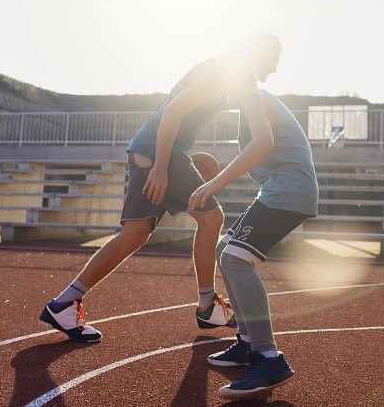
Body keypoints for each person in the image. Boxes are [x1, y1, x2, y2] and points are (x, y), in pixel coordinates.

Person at [39, 32, 282, 342]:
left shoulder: (226, 72)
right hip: (159, 152)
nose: (273, 69)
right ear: (259, 54)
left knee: (134, 234)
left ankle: (64, 303)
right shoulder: (221, 74)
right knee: (212, 219)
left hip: (152, 149)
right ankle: (207, 304)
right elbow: (173, 111)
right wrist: (161, 166)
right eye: (273, 60)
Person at [188, 46, 319, 399]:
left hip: (288, 193)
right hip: (280, 191)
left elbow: (264, 142)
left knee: (235, 258)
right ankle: (247, 342)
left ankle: (267, 355)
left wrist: (217, 182)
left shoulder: (251, 98)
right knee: (224, 250)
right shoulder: (254, 99)